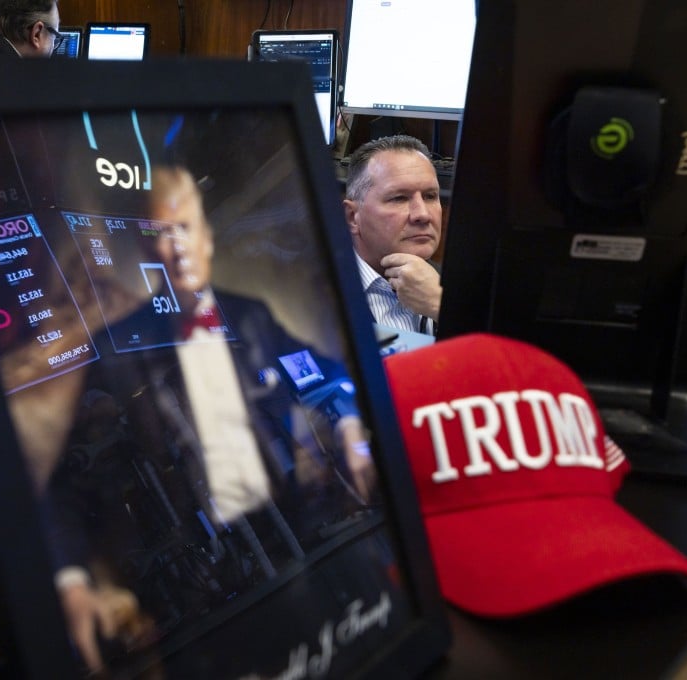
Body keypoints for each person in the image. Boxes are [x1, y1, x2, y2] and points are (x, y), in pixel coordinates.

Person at [42, 166, 376, 673]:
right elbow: (59, 480)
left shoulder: (250, 316)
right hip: (205, 569)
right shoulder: (113, 346)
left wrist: (350, 424)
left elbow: (320, 371)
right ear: (145, 248)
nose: (175, 246)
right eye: (160, 233)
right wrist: (72, 578)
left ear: (207, 238)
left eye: (185, 228)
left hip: (295, 522)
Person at [342, 134, 443, 336]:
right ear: (353, 217)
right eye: (399, 198)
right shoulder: (312, 298)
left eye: (430, 196)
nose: (422, 214)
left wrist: (440, 305)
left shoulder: (458, 291)